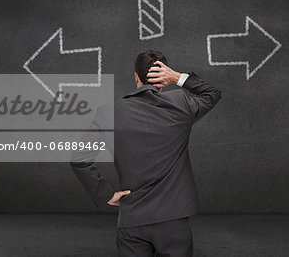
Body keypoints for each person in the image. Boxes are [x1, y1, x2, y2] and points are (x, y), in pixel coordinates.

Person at [71, 50, 221, 256]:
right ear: (164, 78)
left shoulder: (109, 113)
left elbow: (79, 159)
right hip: (174, 219)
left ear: (135, 76)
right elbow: (212, 93)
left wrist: (106, 194)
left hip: (132, 219)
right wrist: (177, 77)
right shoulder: (181, 104)